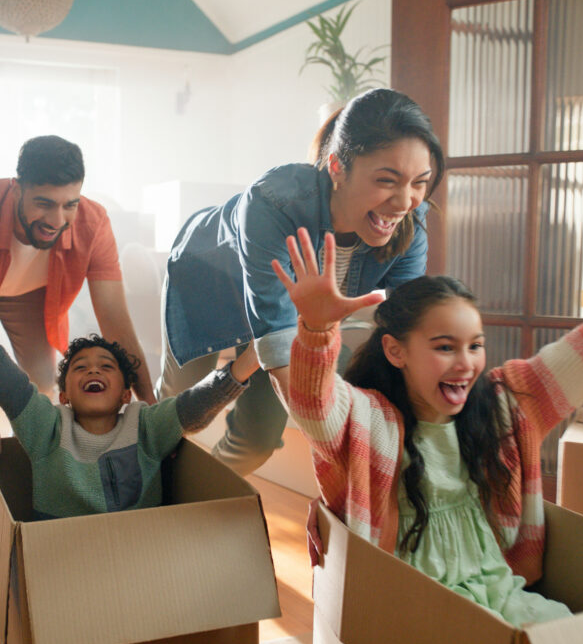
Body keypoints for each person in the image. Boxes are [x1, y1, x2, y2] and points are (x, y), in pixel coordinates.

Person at [274, 211, 583, 625]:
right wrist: (315, 330)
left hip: (500, 588)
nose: (465, 363)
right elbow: (314, 405)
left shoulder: (503, 407)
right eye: (444, 347)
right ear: (395, 351)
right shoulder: (370, 422)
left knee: (569, 643)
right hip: (413, 608)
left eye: (474, 345)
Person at [159, 88, 444, 476]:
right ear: (337, 168)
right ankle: (149, 491)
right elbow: (277, 341)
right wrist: (339, 443)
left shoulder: (409, 223)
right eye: (387, 180)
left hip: (285, 317)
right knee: (173, 414)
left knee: (256, 443)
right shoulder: (273, 201)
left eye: (419, 182)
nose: (404, 202)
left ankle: (200, 502)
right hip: (208, 284)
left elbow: (408, 332)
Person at [0, 135, 154, 483]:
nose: (57, 219)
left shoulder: (93, 222)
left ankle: (34, 444)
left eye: (70, 204)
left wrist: (151, 405)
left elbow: (116, 321)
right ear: (17, 188)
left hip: (31, 292)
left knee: (44, 378)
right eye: (44, 203)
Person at [0, 282, 260, 512]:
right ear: (65, 395)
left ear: (126, 394)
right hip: (62, 557)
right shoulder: (48, 427)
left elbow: (193, 406)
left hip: (138, 552)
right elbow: (12, 386)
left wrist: (245, 365)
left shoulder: (145, 425)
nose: (93, 371)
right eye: (81, 368)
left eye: (106, 367)